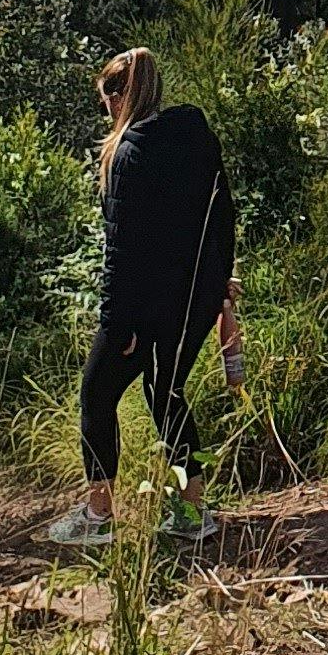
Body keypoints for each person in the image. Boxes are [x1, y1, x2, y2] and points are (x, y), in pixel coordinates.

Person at [50, 48, 237, 550]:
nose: (105, 110)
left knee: (96, 393)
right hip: (194, 298)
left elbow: (123, 250)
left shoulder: (127, 155)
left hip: (147, 305)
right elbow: (224, 215)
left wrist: (119, 323)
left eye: (106, 99)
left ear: (119, 96)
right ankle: (192, 509)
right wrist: (221, 284)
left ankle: (99, 514)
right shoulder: (196, 137)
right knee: (165, 391)